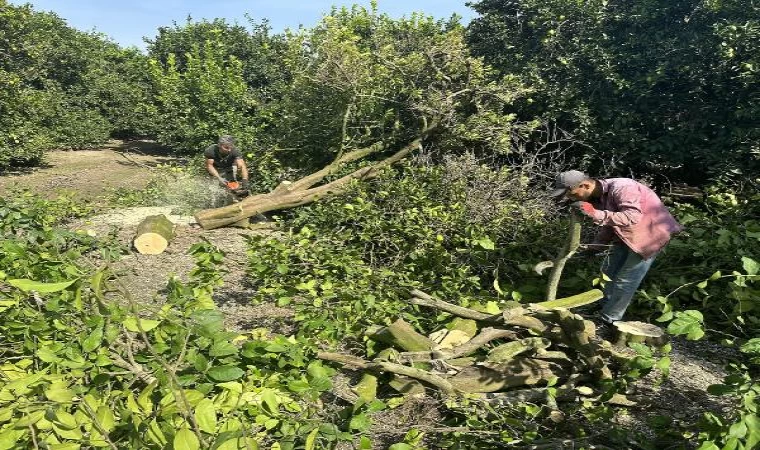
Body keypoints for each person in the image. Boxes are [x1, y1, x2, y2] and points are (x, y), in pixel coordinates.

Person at [550, 170, 683, 324]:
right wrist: (596, 247)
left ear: (585, 185)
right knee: (608, 274)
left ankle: (609, 320)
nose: (570, 198)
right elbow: (610, 224)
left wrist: (594, 213)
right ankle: (603, 308)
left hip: (650, 236)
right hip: (627, 235)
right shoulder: (598, 196)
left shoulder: (623, 187)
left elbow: (632, 217)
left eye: (571, 193)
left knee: (625, 281)